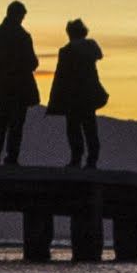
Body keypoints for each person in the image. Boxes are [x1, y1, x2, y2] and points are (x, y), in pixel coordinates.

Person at [0, 0, 39, 166]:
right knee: (16, 126)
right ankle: (11, 158)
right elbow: (32, 63)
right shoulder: (24, 37)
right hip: (19, 89)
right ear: (19, 16)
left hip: (0, 88)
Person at [52, 18, 108, 169]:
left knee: (74, 129)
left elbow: (60, 77)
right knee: (90, 129)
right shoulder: (90, 47)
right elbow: (99, 55)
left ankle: (76, 159)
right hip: (88, 96)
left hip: (72, 97)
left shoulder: (66, 51)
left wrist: (56, 100)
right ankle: (91, 161)